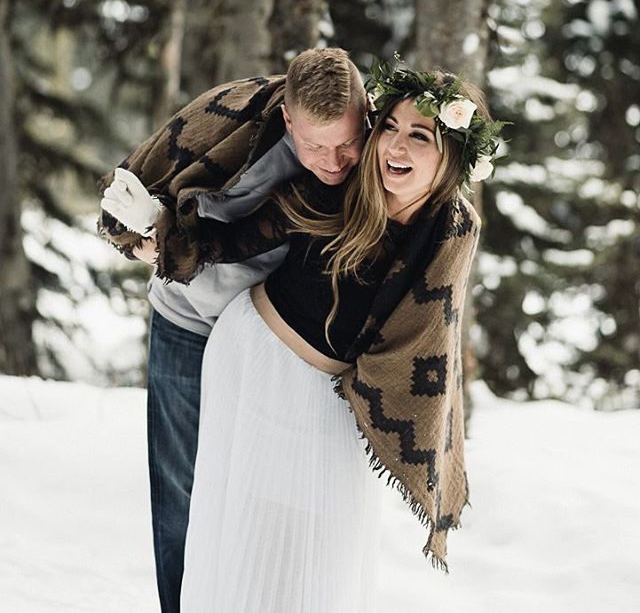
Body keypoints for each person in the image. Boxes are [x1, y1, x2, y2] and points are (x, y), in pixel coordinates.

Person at [130, 61, 504, 611]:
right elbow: (234, 240)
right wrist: (164, 248)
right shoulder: (343, 190)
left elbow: (430, 333)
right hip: (251, 356)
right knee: (235, 519)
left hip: (329, 395)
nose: (394, 146)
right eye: (391, 129)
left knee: (325, 543)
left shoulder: (450, 230)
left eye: (418, 136)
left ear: (449, 155)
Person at [98, 48, 368, 613]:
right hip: (190, 324)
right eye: (316, 146)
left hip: (274, 345)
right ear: (289, 120)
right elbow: (126, 193)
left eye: (347, 143)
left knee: (261, 498)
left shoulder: (376, 154)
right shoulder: (226, 118)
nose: (335, 161)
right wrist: (147, 239)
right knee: (183, 493)